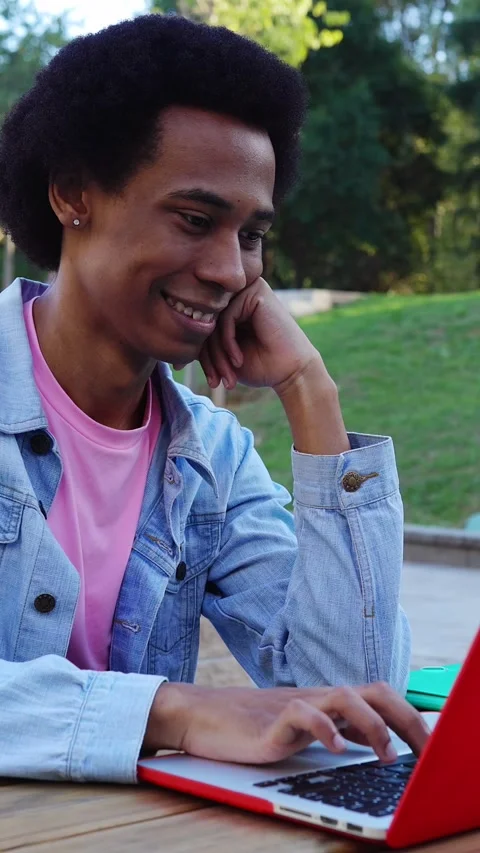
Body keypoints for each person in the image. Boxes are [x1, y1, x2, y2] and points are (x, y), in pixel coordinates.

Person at [0, 14, 428, 784]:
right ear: (72, 194)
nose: (233, 270)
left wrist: (311, 394)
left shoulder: (212, 457)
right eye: (197, 220)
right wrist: (172, 709)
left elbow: (357, 697)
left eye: (251, 233)